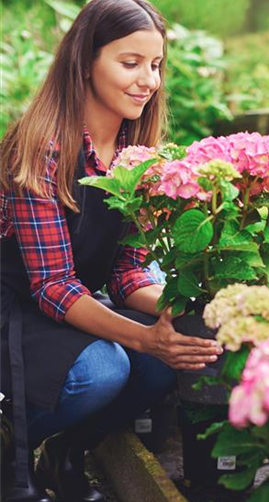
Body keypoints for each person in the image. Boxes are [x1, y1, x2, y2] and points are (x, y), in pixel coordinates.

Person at [0, 1, 223, 501]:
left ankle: (69, 452)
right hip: (15, 307)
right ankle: (11, 449)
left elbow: (125, 273)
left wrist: (188, 313)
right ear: (85, 62)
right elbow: (52, 285)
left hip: (64, 303)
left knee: (172, 358)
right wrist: (144, 339)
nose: (149, 80)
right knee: (104, 369)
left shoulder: (135, 155)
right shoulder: (39, 149)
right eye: (130, 63)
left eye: (156, 64)